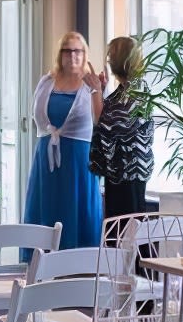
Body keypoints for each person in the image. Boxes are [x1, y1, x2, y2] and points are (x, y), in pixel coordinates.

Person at [23, 31, 104, 250]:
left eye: (78, 51)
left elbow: (100, 119)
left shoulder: (90, 84)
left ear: (84, 54)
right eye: (67, 50)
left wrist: (97, 89)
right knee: (46, 209)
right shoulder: (47, 81)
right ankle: (40, 264)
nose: (72, 55)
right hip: (46, 160)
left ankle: (76, 267)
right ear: (60, 54)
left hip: (78, 161)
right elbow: (36, 115)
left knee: (76, 212)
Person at [89, 35, 154, 221]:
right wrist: (101, 90)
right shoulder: (127, 89)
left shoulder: (136, 89)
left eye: (111, 55)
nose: (108, 59)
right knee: (119, 231)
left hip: (129, 173)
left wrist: (95, 92)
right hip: (121, 173)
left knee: (126, 233)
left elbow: (109, 125)